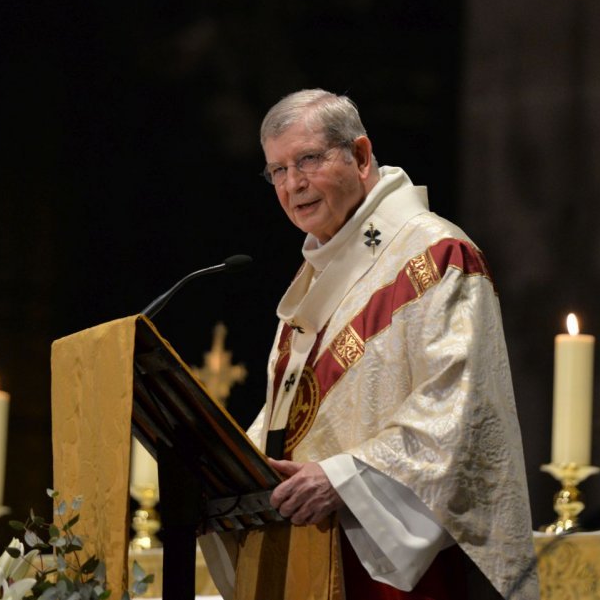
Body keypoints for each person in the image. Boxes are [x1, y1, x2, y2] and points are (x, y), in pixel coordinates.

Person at [204, 89, 538, 600]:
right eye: (277, 171)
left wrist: (341, 479)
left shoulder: (438, 256)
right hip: (307, 557)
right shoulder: (317, 278)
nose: (293, 184)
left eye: (308, 160)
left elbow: (456, 415)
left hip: (390, 569)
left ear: (360, 156)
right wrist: (229, 467)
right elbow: (289, 422)